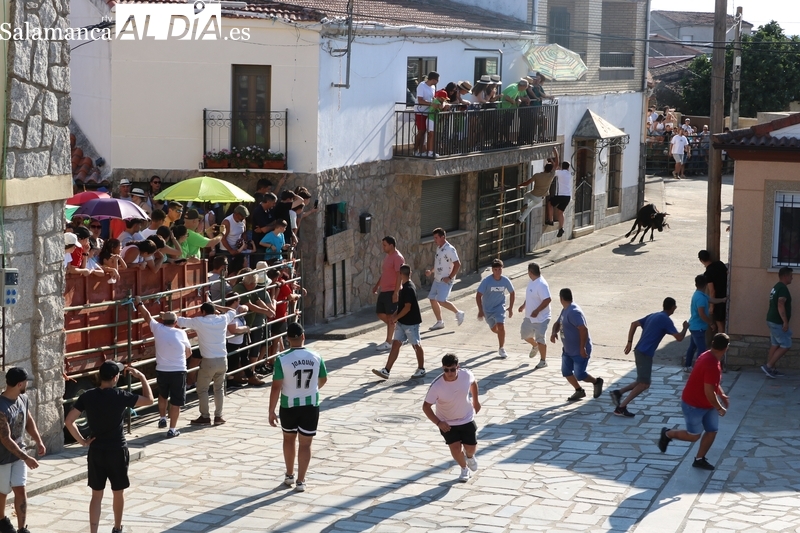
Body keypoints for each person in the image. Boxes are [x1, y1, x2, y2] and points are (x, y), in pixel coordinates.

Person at [64, 361, 154, 533]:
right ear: (115, 377)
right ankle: (117, 528)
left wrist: (83, 441)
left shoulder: (87, 396)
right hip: (117, 449)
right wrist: (142, 377)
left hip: (96, 450)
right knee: (117, 491)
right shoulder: (120, 395)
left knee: (96, 495)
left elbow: (69, 421)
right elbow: (149, 400)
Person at [268, 323, 328, 492]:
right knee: (306, 443)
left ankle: (289, 475)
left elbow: (276, 386)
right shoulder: (316, 356)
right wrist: (312, 389)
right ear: (303, 336)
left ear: (287, 339)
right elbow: (323, 379)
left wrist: (271, 410)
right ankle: (301, 480)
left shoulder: (282, 359)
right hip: (310, 405)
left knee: (288, 439)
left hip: (288, 406)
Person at [658, 333, 731, 471]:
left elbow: (712, 384)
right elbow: (709, 392)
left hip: (707, 404)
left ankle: (699, 459)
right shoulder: (711, 364)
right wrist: (720, 408)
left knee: (712, 431)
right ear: (726, 348)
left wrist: (722, 394)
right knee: (693, 436)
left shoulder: (708, 355)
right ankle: (668, 434)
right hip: (694, 405)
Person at [612, 297, 689, 417]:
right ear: (673, 308)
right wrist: (685, 327)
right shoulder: (666, 320)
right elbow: (679, 338)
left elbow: (634, 324)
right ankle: (621, 408)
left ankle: (618, 393)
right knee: (644, 384)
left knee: (641, 380)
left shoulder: (654, 315)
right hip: (645, 353)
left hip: (640, 351)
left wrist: (629, 342)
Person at [133, 297, 192, 438]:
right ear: (176, 323)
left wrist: (139, 303)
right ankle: (172, 429)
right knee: (176, 401)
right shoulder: (181, 333)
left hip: (162, 369)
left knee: (163, 394)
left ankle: (162, 417)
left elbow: (147, 316)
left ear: (163, 321)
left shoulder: (157, 328)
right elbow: (189, 352)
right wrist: (179, 361)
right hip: (178, 370)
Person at [176, 298, 238, 426]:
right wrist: (217, 306)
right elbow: (232, 310)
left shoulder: (199, 321)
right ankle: (218, 416)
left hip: (208, 360)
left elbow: (179, 321)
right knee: (219, 388)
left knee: (202, 389)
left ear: (203, 311)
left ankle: (205, 416)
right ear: (214, 310)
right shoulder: (222, 319)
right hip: (222, 359)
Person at [422, 353, 481, 483]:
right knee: (455, 448)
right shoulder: (436, 386)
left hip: (466, 418)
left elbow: (474, 382)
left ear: (457, 367)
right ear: (443, 369)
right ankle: (464, 469)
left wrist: (476, 401)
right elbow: (426, 407)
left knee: (470, 448)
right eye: (446, 370)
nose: (449, 373)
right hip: (447, 423)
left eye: (452, 369)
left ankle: (470, 457)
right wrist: (438, 423)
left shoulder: (466, 375)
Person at [0, 368, 44, 533]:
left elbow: (29, 420)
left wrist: (39, 441)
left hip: (18, 456)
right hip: (2, 458)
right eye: (25, 382)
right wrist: (26, 457)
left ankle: (21, 529)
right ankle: (1, 521)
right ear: (19, 384)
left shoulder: (23, 399)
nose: (27, 384)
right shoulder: (1, 406)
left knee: (20, 488)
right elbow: (5, 439)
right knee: (2, 491)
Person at [372, 264, 425, 379]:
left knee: (416, 345)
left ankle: (421, 369)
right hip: (402, 323)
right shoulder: (404, 287)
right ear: (409, 273)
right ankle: (386, 370)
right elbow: (401, 306)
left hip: (411, 323)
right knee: (396, 344)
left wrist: (395, 318)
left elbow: (407, 307)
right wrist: (394, 316)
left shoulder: (409, 288)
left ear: (401, 275)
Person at [550, 288, 603, 402]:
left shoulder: (574, 311)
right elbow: (557, 323)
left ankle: (597, 382)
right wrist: (554, 332)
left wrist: (582, 348)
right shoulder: (565, 310)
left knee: (580, 374)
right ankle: (579, 390)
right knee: (566, 372)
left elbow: (583, 329)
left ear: (561, 298)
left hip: (579, 350)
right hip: (568, 351)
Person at [476, 259, 515, 359]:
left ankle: (501, 348)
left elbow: (512, 292)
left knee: (501, 325)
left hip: (500, 307)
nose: (498, 272)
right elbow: (478, 295)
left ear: (502, 269)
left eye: (500, 269)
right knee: (494, 329)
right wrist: (480, 310)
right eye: (495, 269)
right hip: (487, 309)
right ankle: (500, 335)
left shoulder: (505, 280)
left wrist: (510, 308)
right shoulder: (486, 281)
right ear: (492, 270)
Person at [372, 236, 405, 351]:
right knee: (380, 313)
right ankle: (397, 327)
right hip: (384, 290)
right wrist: (377, 285)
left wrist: (396, 292)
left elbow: (399, 276)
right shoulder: (388, 257)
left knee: (391, 317)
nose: (383, 247)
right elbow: (385, 274)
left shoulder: (398, 258)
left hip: (392, 290)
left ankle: (389, 341)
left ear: (391, 245)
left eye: (385, 245)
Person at [518, 262, 551, 369]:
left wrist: (537, 311)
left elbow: (547, 299)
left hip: (541, 318)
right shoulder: (531, 281)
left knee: (540, 339)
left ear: (530, 272)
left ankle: (543, 361)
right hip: (529, 317)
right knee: (525, 335)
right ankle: (535, 345)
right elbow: (530, 296)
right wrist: (523, 305)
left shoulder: (541, 284)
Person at [763, 267, 793, 378]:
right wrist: (785, 322)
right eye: (790, 275)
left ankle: (771, 369)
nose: (792, 278)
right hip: (777, 322)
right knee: (786, 345)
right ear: (785, 276)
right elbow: (781, 304)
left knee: (775, 344)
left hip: (772, 320)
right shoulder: (782, 288)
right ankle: (769, 366)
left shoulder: (776, 287)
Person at [684, 275, 719, 372]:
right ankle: (699, 369)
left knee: (692, 347)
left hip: (694, 326)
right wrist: (711, 323)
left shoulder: (698, 295)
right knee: (702, 349)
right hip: (698, 328)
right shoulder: (701, 298)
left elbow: (712, 300)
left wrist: (723, 299)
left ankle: (687, 366)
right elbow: (702, 314)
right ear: (706, 285)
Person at [516, 148, 560, 224]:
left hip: (533, 194)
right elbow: (557, 164)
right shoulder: (551, 175)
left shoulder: (537, 175)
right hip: (540, 198)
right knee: (530, 208)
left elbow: (527, 183)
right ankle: (520, 220)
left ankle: (525, 204)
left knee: (526, 196)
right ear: (551, 170)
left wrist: (519, 185)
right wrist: (556, 152)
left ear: (544, 168)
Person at [698, 250, 728, 333]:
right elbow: (728, 274)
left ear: (701, 260)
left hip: (719, 299)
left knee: (720, 325)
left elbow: (712, 291)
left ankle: (721, 343)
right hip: (727, 294)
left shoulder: (708, 273)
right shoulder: (720, 264)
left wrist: (712, 306)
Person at [414, 72, 439, 156]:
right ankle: (415, 150)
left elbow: (433, 98)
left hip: (429, 112)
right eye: (437, 80)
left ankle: (422, 151)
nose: (437, 82)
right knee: (421, 131)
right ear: (433, 79)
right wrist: (431, 104)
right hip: (420, 112)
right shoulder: (421, 86)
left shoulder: (433, 87)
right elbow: (420, 100)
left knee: (427, 131)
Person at [546, 161, 572, 238]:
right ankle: (561, 228)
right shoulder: (569, 174)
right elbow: (559, 170)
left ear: (562, 166)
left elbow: (554, 170)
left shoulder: (559, 173)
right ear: (568, 167)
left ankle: (550, 220)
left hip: (560, 195)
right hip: (567, 196)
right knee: (560, 212)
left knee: (550, 204)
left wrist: (552, 162)